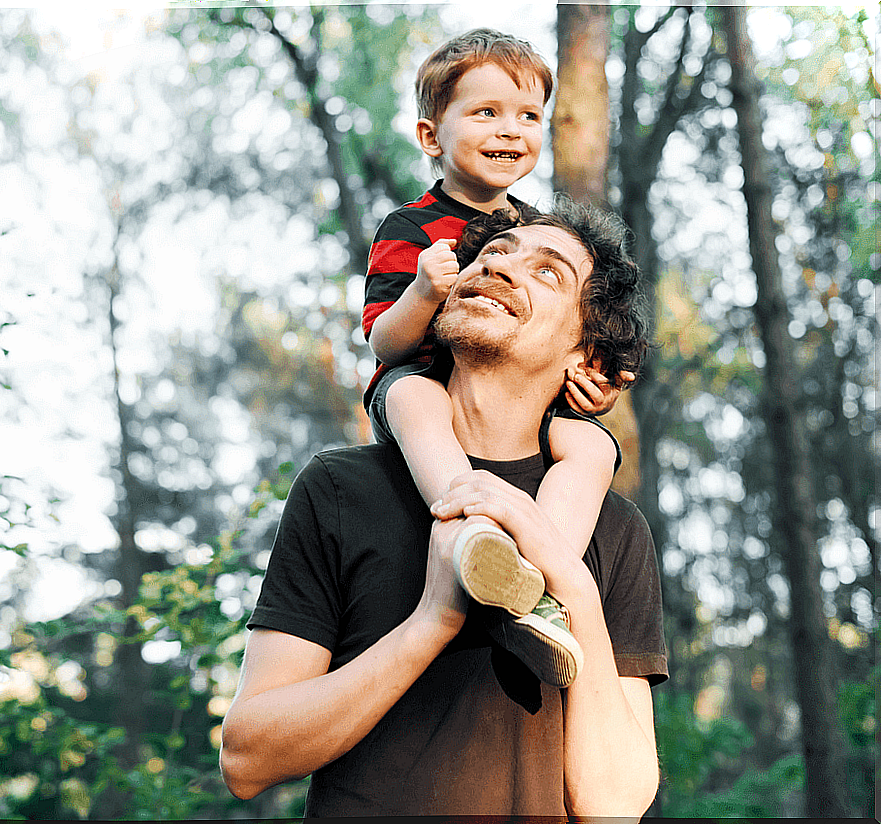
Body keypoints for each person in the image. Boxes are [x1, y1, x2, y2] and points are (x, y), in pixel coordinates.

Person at [220, 198, 667, 817]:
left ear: (585, 358)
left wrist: (574, 590)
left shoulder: (615, 530)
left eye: (547, 272)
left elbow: (612, 805)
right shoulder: (340, 490)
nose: (501, 268)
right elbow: (247, 760)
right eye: (491, 254)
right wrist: (433, 620)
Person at [363, 29, 634, 685]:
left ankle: (539, 585)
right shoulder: (411, 227)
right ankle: (469, 534)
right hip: (425, 384)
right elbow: (384, 343)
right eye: (485, 112)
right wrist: (425, 291)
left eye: (528, 116)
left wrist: (590, 381)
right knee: (410, 392)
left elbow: (568, 325)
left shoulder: (540, 228)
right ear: (432, 137)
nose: (509, 129)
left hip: (518, 402)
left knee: (594, 447)